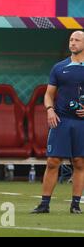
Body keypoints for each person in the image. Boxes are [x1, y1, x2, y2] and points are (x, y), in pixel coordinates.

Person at [32, 30, 84, 214]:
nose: (73, 42)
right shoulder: (59, 68)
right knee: (53, 162)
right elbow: (48, 95)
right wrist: (49, 109)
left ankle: (75, 205)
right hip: (61, 121)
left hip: (81, 124)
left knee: (79, 163)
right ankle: (44, 204)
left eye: (77, 40)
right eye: (71, 39)